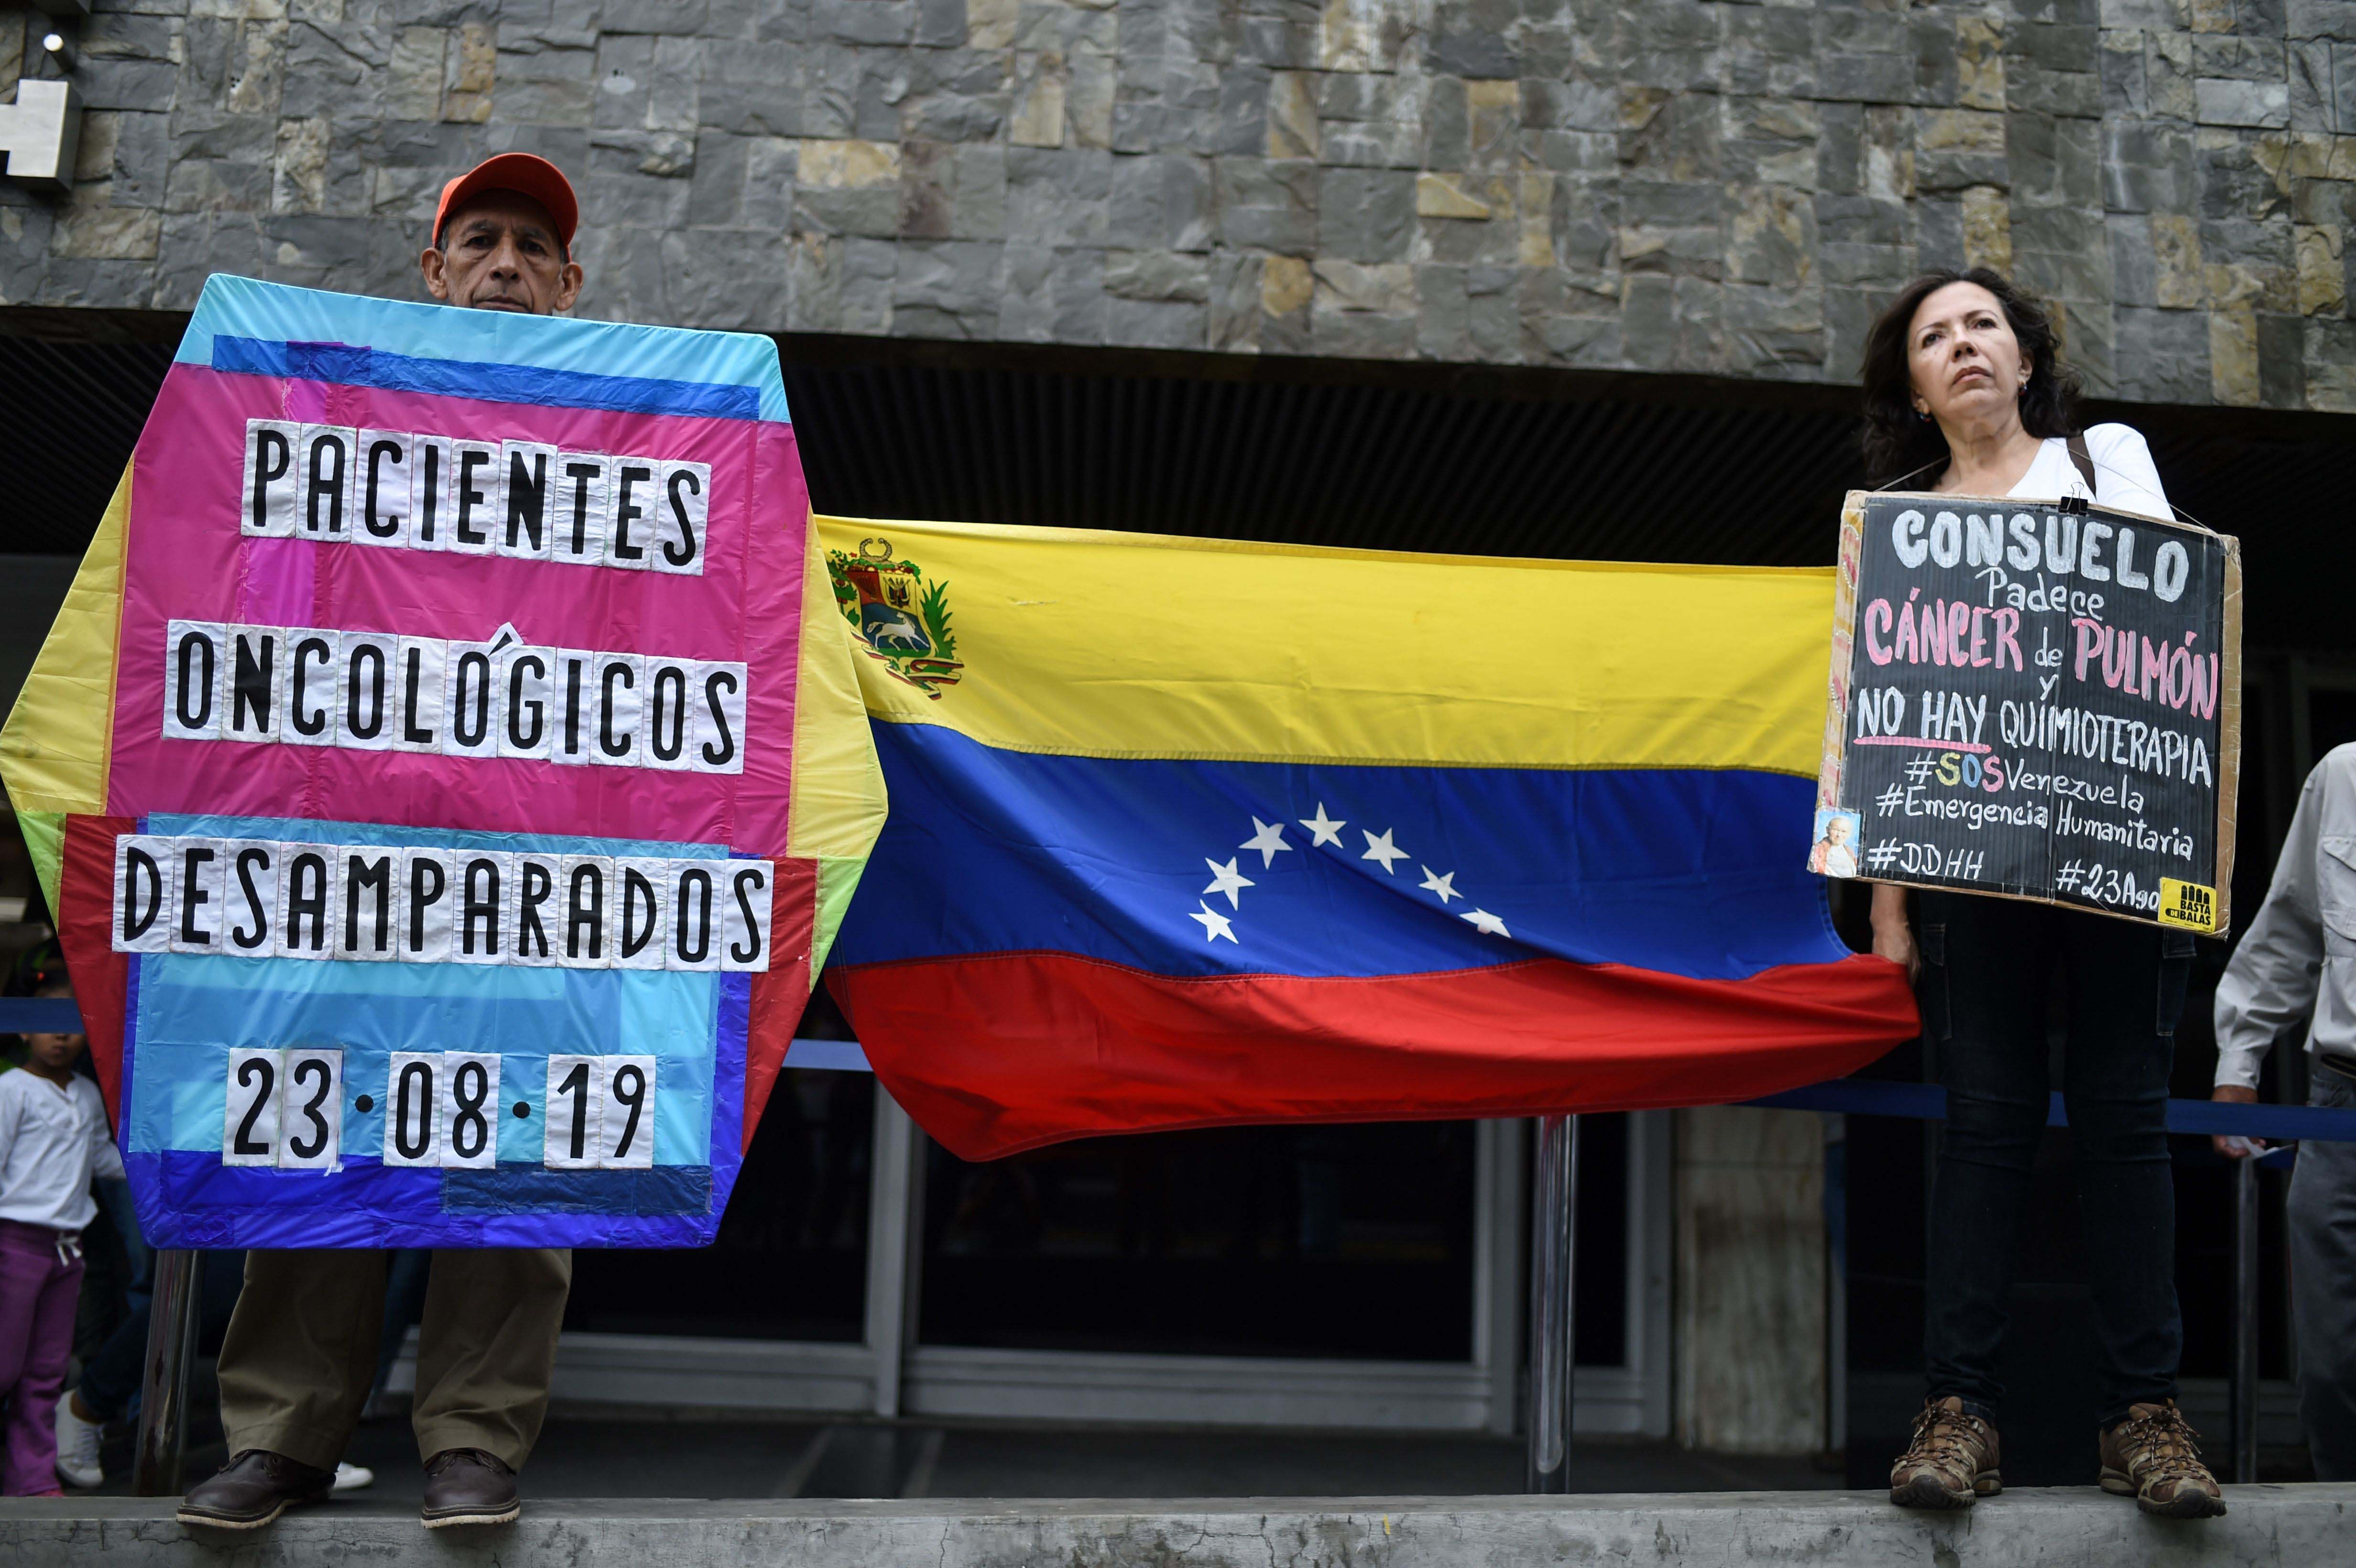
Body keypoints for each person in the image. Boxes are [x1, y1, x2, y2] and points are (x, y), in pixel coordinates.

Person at [175, 152, 585, 1534]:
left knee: (516, 1146)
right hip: (342, 851)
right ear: (434, 272)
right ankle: (284, 1437)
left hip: (543, 869)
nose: (507, 262)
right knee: (309, 1135)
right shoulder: (333, 413)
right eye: (481, 239)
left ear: (573, 284)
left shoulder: (627, 444)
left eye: (534, 245)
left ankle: (473, 1437)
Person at [1862, 269, 2225, 1519]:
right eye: (1933, 338)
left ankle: (2146, 1416)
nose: (1962, 347)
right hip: (1977, 876)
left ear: (2026, 362)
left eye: (1983, 328)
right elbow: (1890, 731)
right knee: (1985, 1131)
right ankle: (1959, 1412)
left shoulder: (2104, 457)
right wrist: (1892, 909)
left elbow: (2170, 632)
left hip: (2117, 857)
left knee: (2125, 1124)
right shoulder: (1901, 527)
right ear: (1913, 389)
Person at [2211, 744, 2356, 1481]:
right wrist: (2240, 1064)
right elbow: (2291, 926)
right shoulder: (2346, 774)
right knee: (2332, 1369)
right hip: (2340, 1103)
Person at [0, 977, 123, 1496]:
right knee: (5, 1364)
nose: (60, 1038)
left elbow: (103, 1160)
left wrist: (164, 1167)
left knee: (46, 1371)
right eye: (47, 1027)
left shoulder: (87, 1094)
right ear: (23, 1032)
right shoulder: (11, 1090)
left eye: (72, 1030)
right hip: (14, 1245)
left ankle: (30, 1478)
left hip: (65, 1251)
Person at [1809, 815, 1858, 879]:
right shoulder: (1818, 850)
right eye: (1835, 830)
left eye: (1844, 831)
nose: (1839, 835)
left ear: (1849, 834)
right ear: (1827, 830)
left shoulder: (1850, 853)